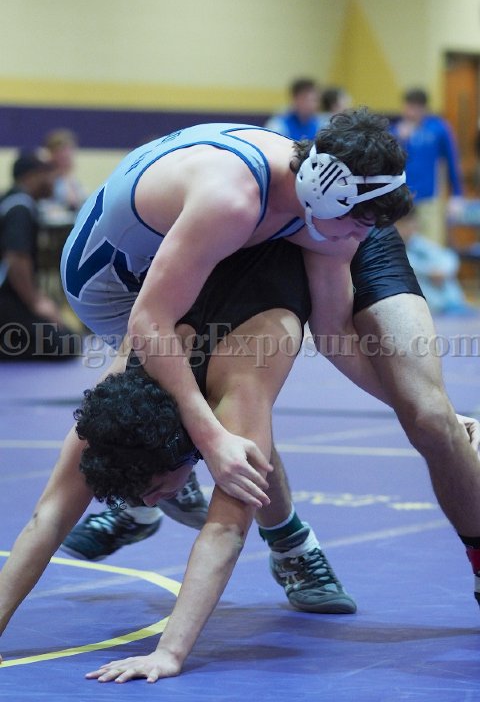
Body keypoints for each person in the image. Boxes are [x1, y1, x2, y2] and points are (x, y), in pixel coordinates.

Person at [0, 240, 356, 683]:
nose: (151, 499)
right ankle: (286, 539)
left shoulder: (242, 383)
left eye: (151, 491)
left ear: (183, 446)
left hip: (321, 234)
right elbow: (49, 516)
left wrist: (169, 652)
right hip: (208, 250)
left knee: (420, 411)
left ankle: (293, 544)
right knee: (247, 447)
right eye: (143, 498)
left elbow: (226, 530)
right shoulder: (116, 392)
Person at [0, 151, 78, 360]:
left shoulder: (11, 200)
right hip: (5, 300)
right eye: (48, 173)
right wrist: (37, 302)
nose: (54, 180)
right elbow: (16, 258)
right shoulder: (19, 208)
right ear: (31, 176)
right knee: (66, 343)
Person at [391, 88, 464, 245]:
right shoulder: (395, 130)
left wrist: (457, 194)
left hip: (428, 198)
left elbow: (452, 161)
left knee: (430, 244)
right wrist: (399, 139)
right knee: (401, 245)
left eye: (414, 108)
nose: (410, 112)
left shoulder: (438, 129)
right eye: (407, 107)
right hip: (401, 198)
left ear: (423, 108)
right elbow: (386, 161)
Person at [396, 208, 474, 316]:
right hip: (429, 308)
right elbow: (409, 265)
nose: (410, 227)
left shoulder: (417, 242)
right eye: (404, 224)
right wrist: (430, 272)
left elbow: (448, 257)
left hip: (452, 304)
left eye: (412, 222)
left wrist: (441, 271)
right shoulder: (393, 249)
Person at [43, 128, 87, 219]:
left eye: (70, 150)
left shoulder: (71, 179)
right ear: (52, 154)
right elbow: (72, 202)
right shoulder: (47, 180)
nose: (68, 155)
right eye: (62, 152)